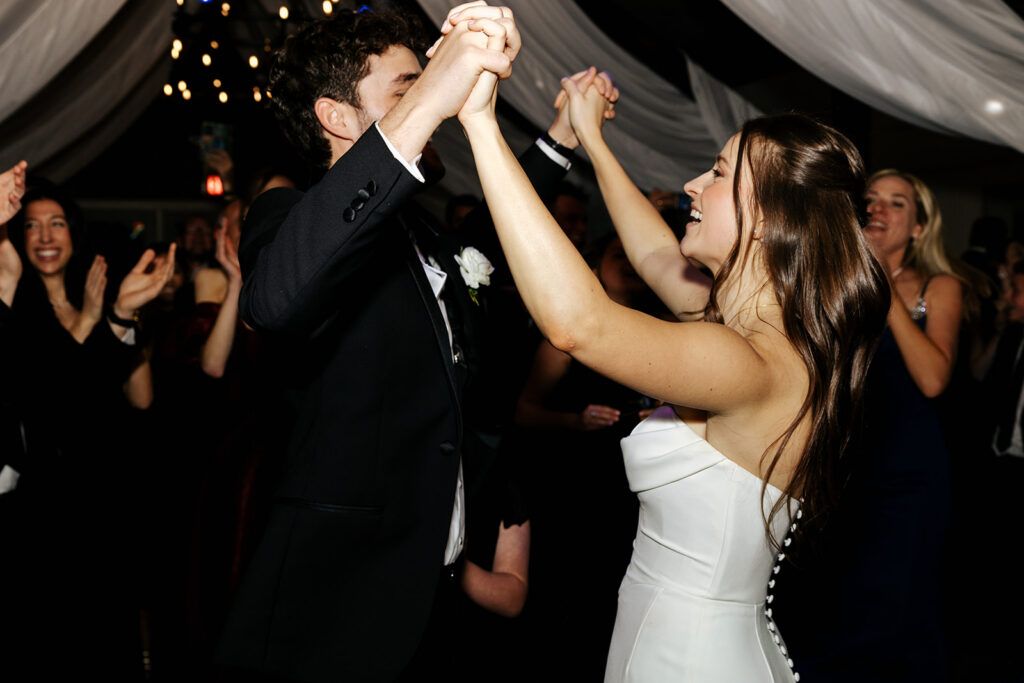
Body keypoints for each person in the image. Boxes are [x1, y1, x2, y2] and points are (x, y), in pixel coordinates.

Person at [445, 6, 889, 673]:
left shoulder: (747, 360)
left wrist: (480, 123)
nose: (692, 185)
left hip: (690, 656)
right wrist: (592, 140)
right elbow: (655, 255)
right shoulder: (752, 332)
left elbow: (579, 323)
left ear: (767, 217)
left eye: (718, 172)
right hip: (680, 635)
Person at [216, 7, 576, 681]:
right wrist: (432, 96)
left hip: (436, 601)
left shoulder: (419, 231)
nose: (432, 105)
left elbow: (484, 248)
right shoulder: (285, 214)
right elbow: (274, 301)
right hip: (338, 604)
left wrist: (559, 139)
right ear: (336, 116)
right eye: (408, 89)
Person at [1, 185, 175, 675]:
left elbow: (141, 397)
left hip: (107, 494)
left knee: (111, 632)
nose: (45, 236)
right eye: (31, 225)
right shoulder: (18, 310)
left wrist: (128, 313)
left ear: (73, 233)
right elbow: (52, 400)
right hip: (49, 504)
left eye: (56, 223)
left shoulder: (94, 291)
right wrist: (103, 320)